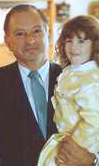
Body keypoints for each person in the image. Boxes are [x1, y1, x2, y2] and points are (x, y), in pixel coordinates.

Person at [0, 4, 96, 166]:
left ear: (48, 34)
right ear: (7, 41)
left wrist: (93, 160)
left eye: (37, 31)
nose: (30, 40)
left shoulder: (76, 79)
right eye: (20, 34)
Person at [38, 15, 99, 166]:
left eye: (81, 41)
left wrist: (75, 145)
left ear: (95, 45)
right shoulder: (72, 71)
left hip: (83, 144)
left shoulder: (90, 78)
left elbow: (94, 119)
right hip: (66, 137)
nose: (73, 47)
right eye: (69, 40)